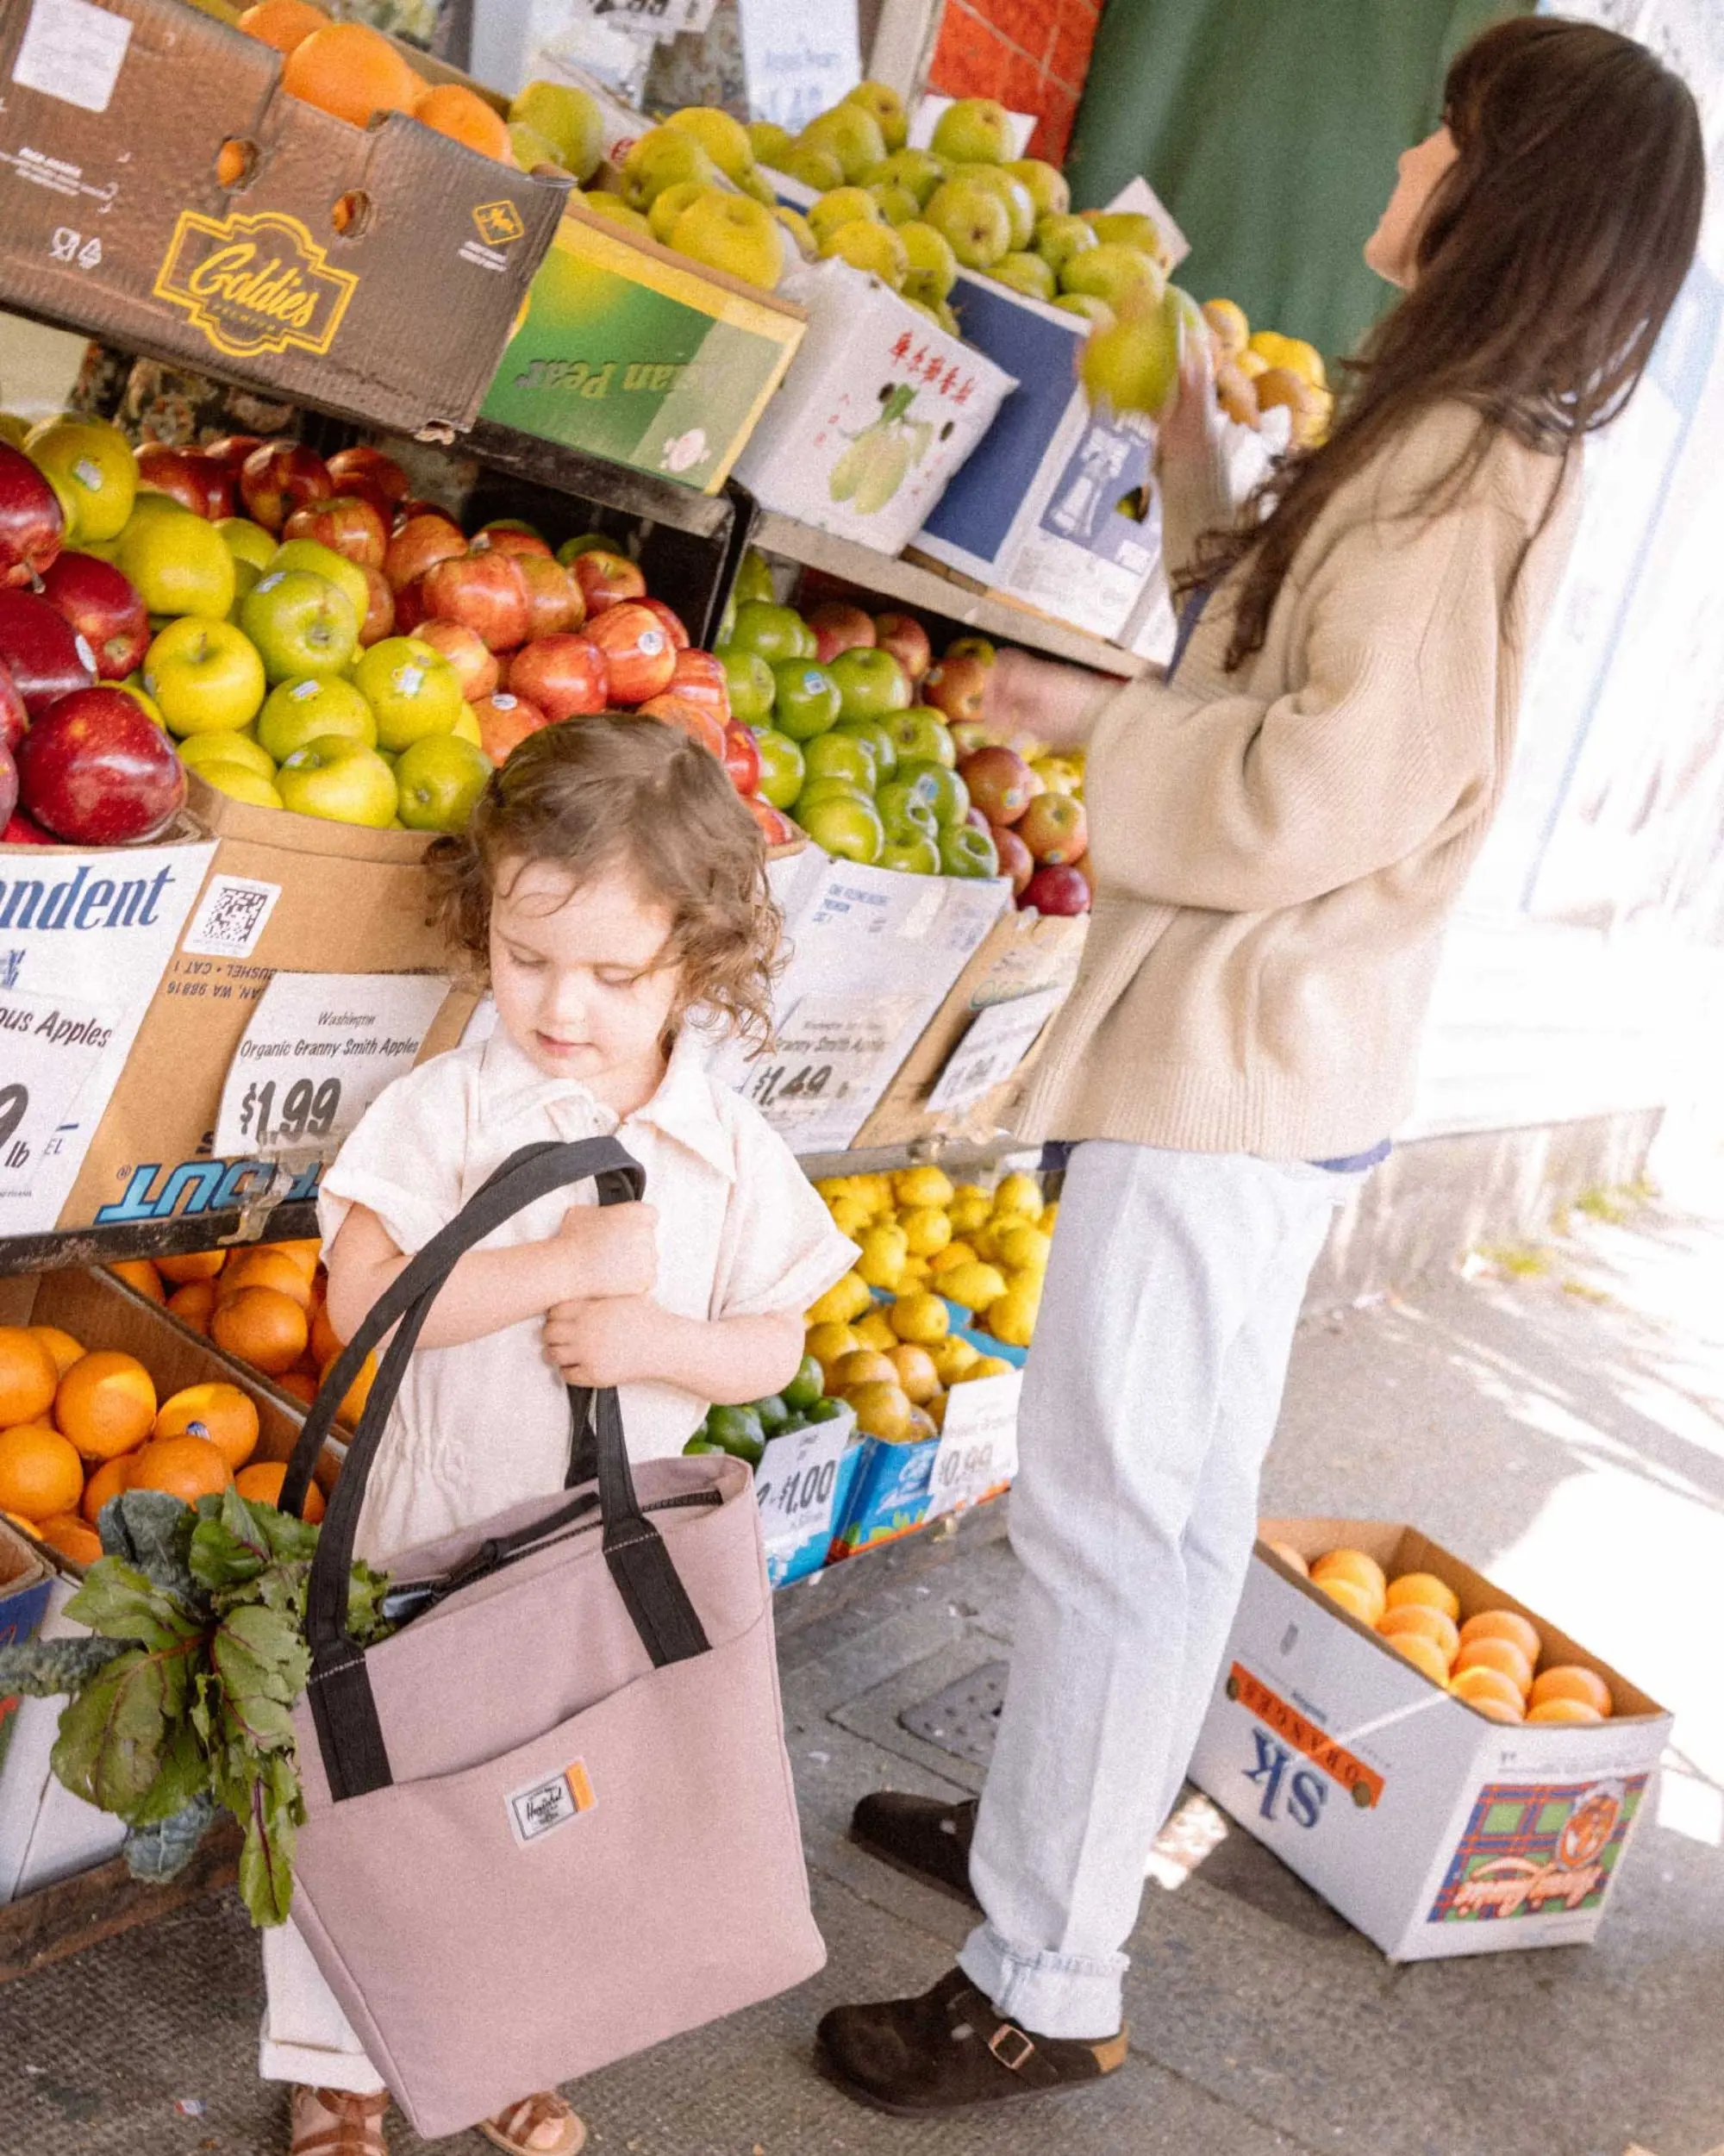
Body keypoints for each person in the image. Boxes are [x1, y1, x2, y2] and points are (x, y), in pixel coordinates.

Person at [817, 16, 1703, 2118]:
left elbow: (1319, 788)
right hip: (1269, 1054)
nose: (1407, 155)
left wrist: (1076, 724)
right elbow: (1311, 678)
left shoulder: (1457, 452)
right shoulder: (1459, 437)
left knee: (1122, 1515)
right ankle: (1063, 1837)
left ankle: (1043, 1969)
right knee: (1159, 1504)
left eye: (1449, 134)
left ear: (1509, 195)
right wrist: (1216, 494)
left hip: (1237, 1057)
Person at [267, 718, 857, 2156]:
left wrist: (662, 1343)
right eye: (528, 960)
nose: (562, 1006)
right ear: (485, 925)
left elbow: (777, 1335)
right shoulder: (449, 1109)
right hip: (431, 1533)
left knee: (555, 1807)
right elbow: (363, 1301)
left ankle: (502, 2035)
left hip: (598, 1559)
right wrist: (562, 1267)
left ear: (698, 962)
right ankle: (337, 2060)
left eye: (613, 974)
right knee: (382, 1790)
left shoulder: (730, 1148)